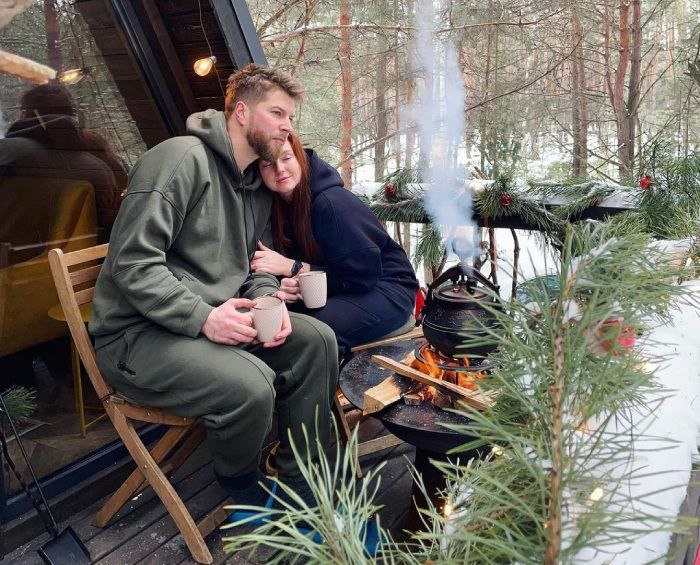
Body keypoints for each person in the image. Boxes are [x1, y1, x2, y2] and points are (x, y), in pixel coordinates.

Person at [89, 64, 338, 508]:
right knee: (251, 386)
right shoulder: (178, 161)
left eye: (290, 117)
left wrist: (266, 299)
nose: (287, 126)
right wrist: (203, 317)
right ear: (241, 112)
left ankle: (304, 489)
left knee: (316, 341)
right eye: (277, 113)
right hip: (137, 336)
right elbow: (132, 264)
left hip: (215, 321)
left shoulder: (254, 184)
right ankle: (244, 492)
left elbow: (254, 264)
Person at [251, 133, 418, 357]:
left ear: (300, 158)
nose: (279, 169)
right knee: (284, 321)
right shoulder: (278, 207)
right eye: (268, 164)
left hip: (386, 287)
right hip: (342, 285)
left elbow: (364, 275)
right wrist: (292, 285)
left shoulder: (331, 204)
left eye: (286, 158)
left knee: (313, 331)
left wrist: (294, 267)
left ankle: (334, 375)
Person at [0, 83, 124, 239]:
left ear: (23, 114)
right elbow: (110, 229)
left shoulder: (6, 154)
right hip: (80, 254)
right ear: (71, 118)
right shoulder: (100, 169)